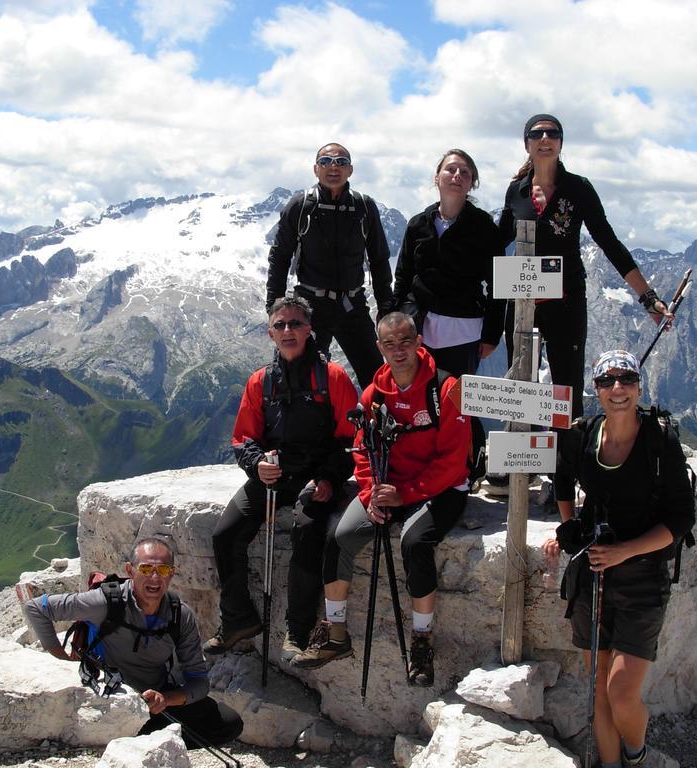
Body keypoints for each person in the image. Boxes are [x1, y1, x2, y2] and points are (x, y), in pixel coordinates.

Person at [292, 312, 471, 686]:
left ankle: (421, 640)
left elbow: (453, 461)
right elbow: (361, 449)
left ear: (419, 342)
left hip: (440, 488)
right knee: (339, 537)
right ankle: (335, 635)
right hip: (387, 487)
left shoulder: (447, 389)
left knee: (414, 541)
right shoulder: (374, 394)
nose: (399, 350)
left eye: (405, 341)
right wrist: (373, 494)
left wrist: (403, 493)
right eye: (389, 344)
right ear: (379, 348)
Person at [543, 349, 695, 767]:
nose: (617, 388)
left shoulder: (659, 440)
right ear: (596, 390)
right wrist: (569, 526)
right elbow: (562, 477)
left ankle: (637, 754)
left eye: (626, 379)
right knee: (599, 692)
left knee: (620, 693)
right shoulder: (585, 433)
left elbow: (682, 517)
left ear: (639, 386)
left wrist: (625, 551)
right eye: (607, 381)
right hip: (595, 576)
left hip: (644, 578)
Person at [204, 295, 358, 662]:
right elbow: (244, 438)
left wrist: (329, 479)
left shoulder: (332, 378)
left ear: (309, 330)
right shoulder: (260, 382)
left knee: (308, 532)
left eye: (295, 324)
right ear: (271, 333)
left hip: (316, 478)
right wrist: (257, 464)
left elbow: (352, 440)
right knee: (225, 534)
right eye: (280, 325)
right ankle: (238, 619)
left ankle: (299, 630)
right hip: (272, 475)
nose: (288, 330)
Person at [499, 114, 672, 419]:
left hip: (566, 300)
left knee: (567, 391)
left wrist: (648, 297)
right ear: (526, 144)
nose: (544, 139)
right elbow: (496, 243)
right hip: (522, 301)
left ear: (561, 142)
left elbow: (609, 243)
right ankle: (521, 463)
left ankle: (564, 467)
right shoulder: (517, 190)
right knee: (520, 389)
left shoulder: (578, 188)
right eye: (536, 134)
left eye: (552, 133)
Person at [22, 538, 243, 748]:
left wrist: (165, 699)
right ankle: (144, 743)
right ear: (130, 570)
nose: (155, 578)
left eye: (163, 570)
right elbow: (36, 607)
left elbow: (199, 682)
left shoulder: (179, 616)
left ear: (172, 573)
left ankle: (148, 743)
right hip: (109, 700)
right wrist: (60, 656)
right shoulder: (105, 603)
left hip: (154, 702)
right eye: (146, 569)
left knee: (228, 722)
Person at [265, 142, 394, 389]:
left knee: (377, 380)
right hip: (309, 308)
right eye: (325, 162)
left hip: (351, 306)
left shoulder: (364, 207)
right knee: (299, 379)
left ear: (351, 170)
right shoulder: (300, 206)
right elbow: (279, 257)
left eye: (341, 162)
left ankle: (375, 427)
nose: (333, 167)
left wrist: (386, 306)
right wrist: (275, 308)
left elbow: (379, 259)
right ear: (316, 169)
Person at [391, 148, 505, 378]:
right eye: (450, 169)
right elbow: (403, 277)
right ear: (437, 177)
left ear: (471, 183)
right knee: (417, 400)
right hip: (418, 328)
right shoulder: (417, 224)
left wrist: (491, 335)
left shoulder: (484, 228)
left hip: (463, 332)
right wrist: (395, 323)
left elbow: (499, 285)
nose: (457, 175)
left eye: (465, 172)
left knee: (457, 403)